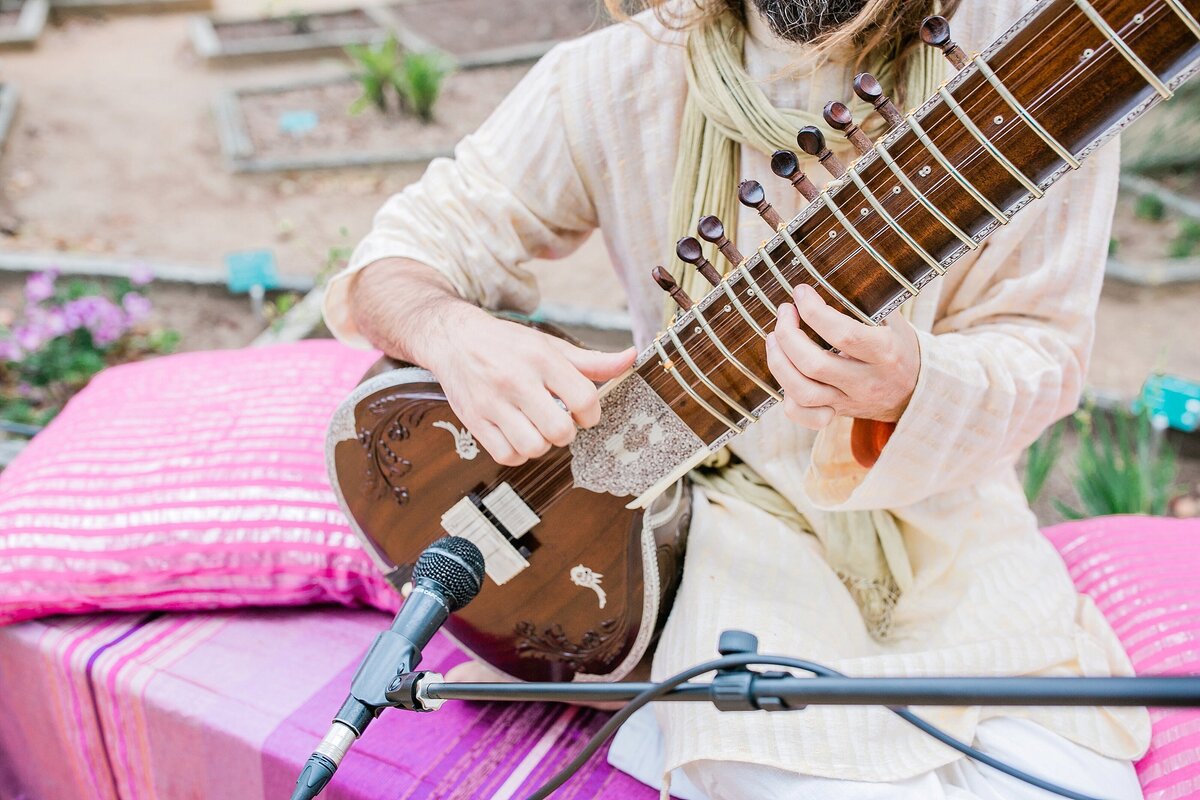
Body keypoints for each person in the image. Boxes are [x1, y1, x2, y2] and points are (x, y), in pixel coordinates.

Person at [321, 1, 1151, 797]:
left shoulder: (1036, 62)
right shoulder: (621, 74)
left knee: (1076, 779)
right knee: (800, 773)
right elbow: (397, 260)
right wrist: (452, 333)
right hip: (737, 520)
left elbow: (1042, 347)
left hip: (948, 516)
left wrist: (911, 383)